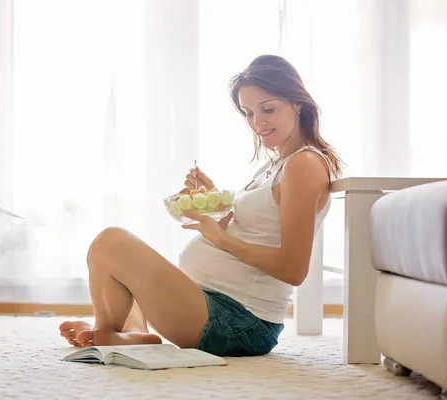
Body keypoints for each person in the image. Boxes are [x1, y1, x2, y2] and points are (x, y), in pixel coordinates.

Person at [59, 54, 343, 357]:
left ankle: (108, 334)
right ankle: (129, 334)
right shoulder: (277, 165)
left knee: (111, 242)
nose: (257, 123)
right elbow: (254, 231)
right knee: (124, 271)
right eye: (248, 113)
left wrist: (221, 238)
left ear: (297, 103)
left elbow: (293, 269)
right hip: (212, 304)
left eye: (268, 109)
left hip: (239, 321)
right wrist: (213, 204)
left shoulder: (304, 165)